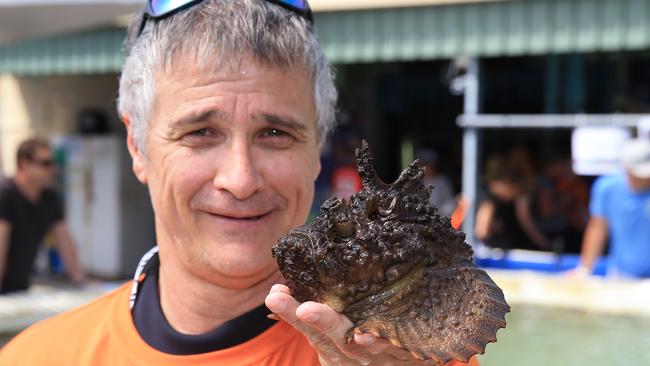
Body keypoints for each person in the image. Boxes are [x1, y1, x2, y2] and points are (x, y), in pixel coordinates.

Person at [0, 1, 479, 365]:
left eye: (275, 133)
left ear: (317, 146)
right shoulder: (33, 356)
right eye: (200, 132)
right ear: (137, 145)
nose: (241, 179)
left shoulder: (406, 356)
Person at [0, 137, 86, 294]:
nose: (53, 169)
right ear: (24, 164)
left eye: (53, 163)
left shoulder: (49, 197)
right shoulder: (5, 193)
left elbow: (64, 239)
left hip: (20, 287)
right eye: (45, 164)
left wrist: (79, 280)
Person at [572, 138, 650, 278]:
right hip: (621, 276)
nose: (645, 178)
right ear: (626, 168)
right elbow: (597, 228)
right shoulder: (607, 187)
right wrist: (585, 268)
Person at [475, 156, 551, 251]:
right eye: (515, 189)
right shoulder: (488, 201)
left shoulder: (498, 199)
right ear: (505, 182)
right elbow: (482, 232)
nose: (514, 196)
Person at [417, 149, 456, 217]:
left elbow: (450, 203)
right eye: (423, 164)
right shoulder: (416, 182)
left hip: (438, 220)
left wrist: (437, 213)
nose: (426, 167)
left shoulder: (443, 182)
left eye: (428, 164)